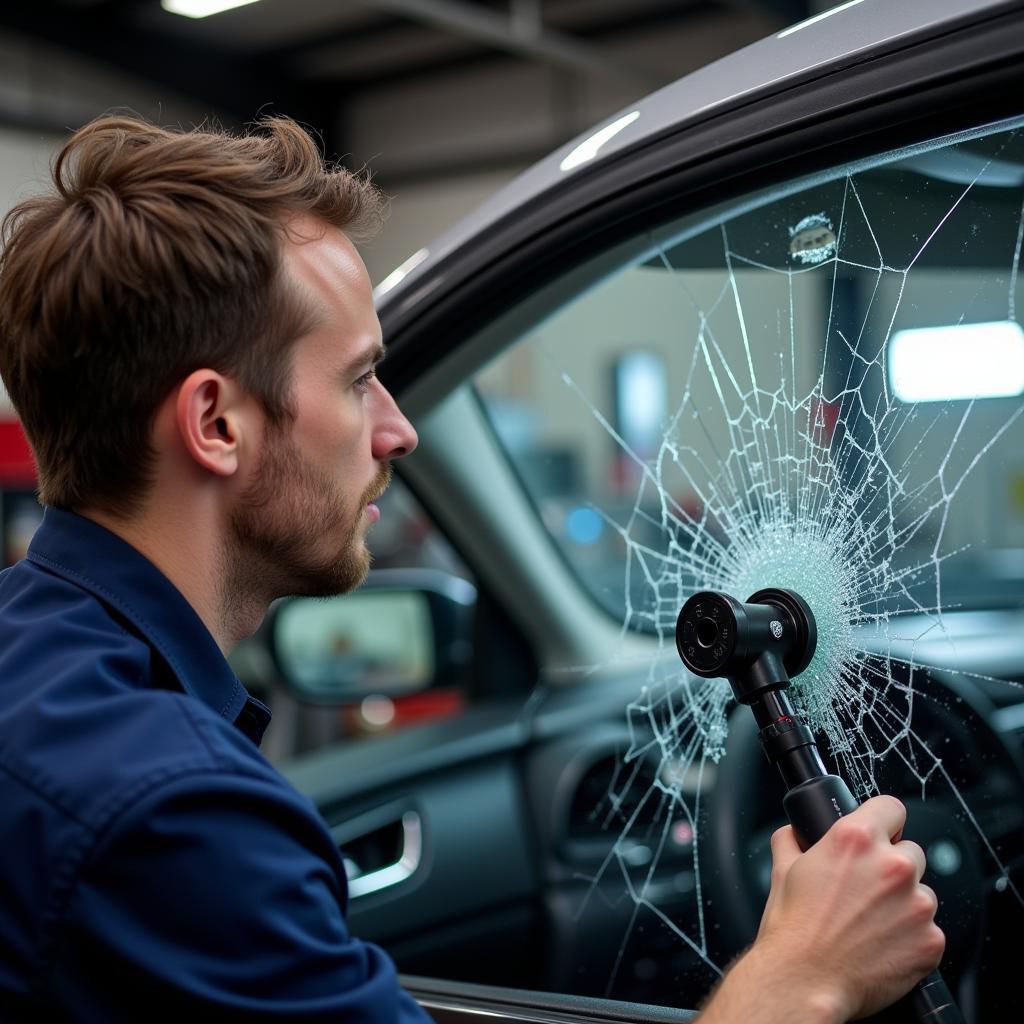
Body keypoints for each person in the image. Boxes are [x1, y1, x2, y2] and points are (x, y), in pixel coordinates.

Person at [0, 115, 944, 1023]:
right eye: (359, 379)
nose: (397, 429)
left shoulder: (39, 674)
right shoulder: (176, 817)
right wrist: (803, 973)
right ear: (216, 424)